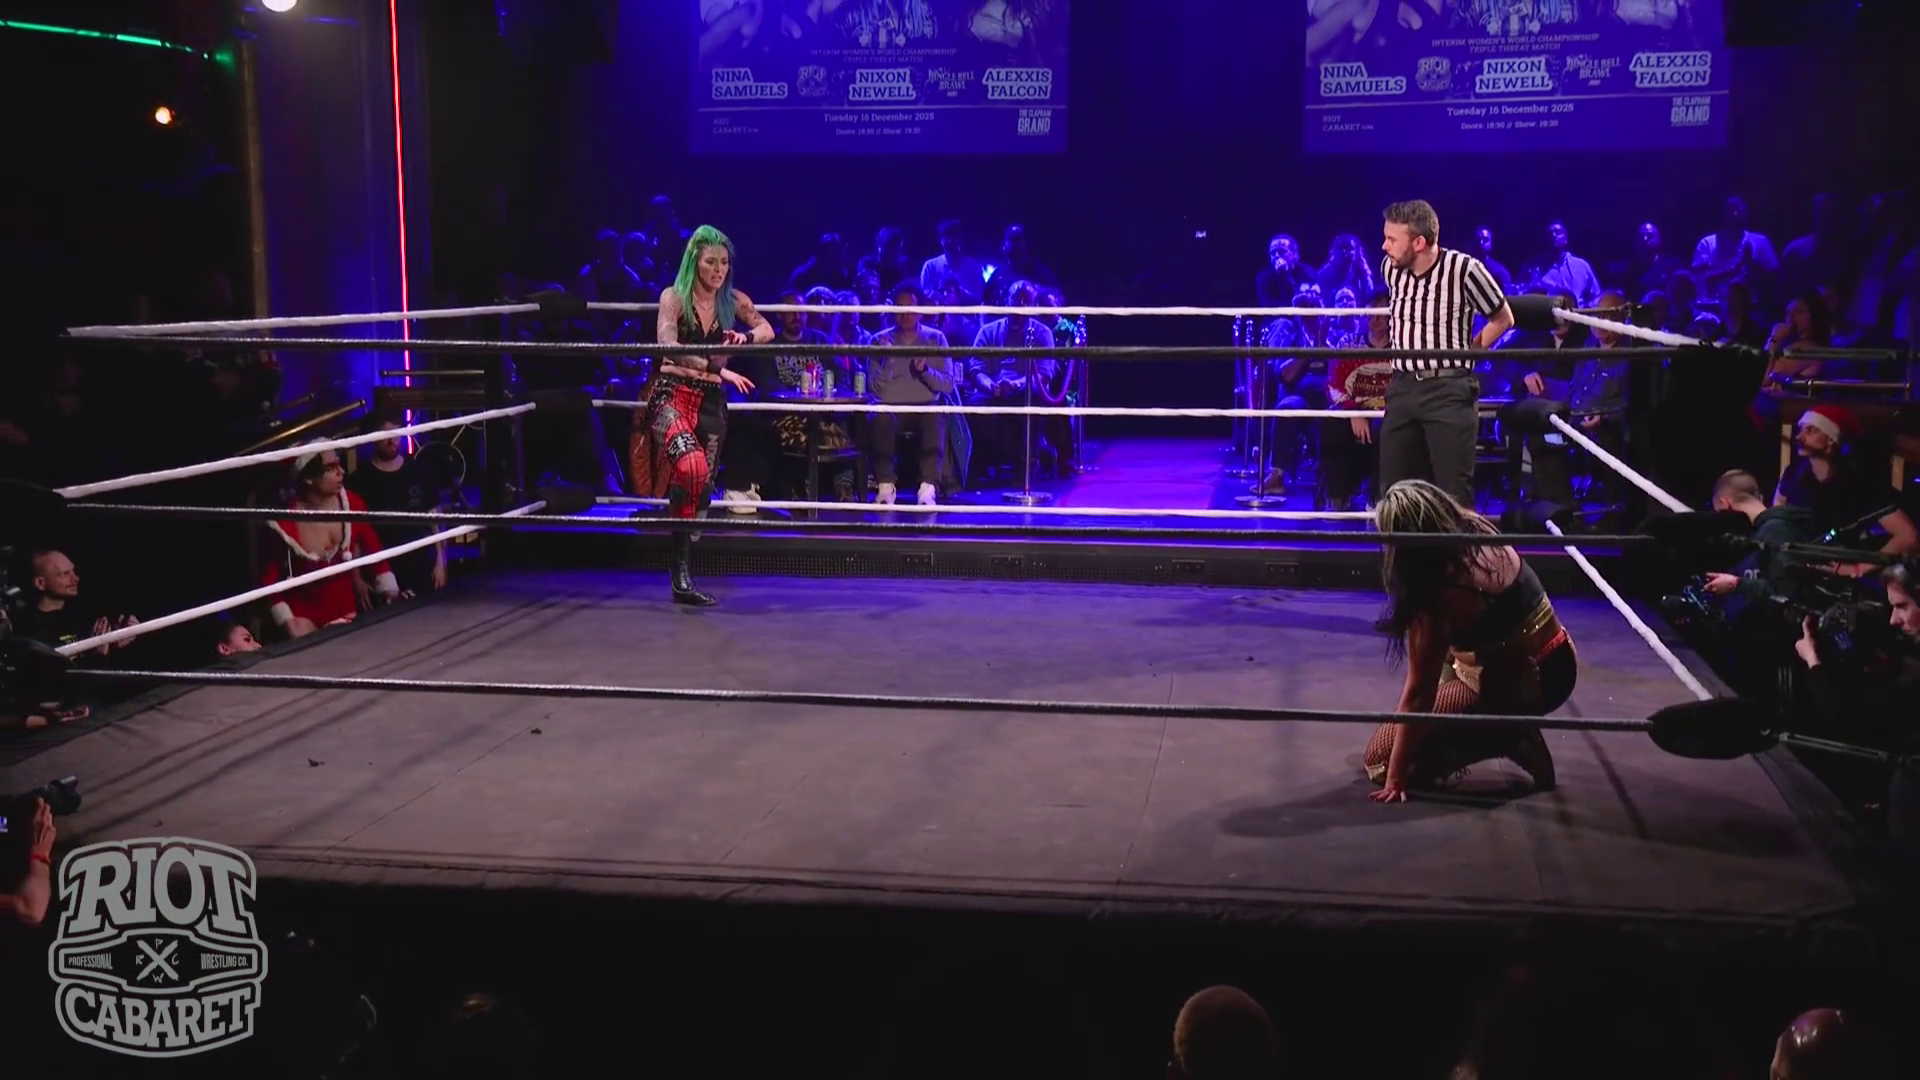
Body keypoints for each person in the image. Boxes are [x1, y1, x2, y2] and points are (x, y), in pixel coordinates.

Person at [1364, 480, 1567, 802]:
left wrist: (1396, 777)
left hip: (1520, 684)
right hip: (1559, 662)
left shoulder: (1437, 592)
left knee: (1379, 760)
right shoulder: (1474, 527)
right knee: (1440, 691)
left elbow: (1419, 693)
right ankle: (1503, 724)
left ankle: (1511, 735)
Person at [628, 226, 771, 606]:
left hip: (710, 402)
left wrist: (745, 338)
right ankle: (679, 574)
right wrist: (716, 368)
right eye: (711, 262)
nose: (718, 270)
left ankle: (685, 542)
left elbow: (766, 328)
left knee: (702, 486)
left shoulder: (733, 300)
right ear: (695, 262)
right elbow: (667, 344)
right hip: (671, 395)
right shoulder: (674, 297)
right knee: (690, 467)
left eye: (724, 262)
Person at [1377, 200, 1514, 505]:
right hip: (1402, 387)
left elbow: (1503, 318)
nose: (1384, 247)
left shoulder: (1465, 269)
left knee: (1453, 490)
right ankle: (1402, 540)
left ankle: (1457, 540)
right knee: (1395, 490)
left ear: (1419, 243)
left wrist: (1471, 352)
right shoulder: (1391, 269)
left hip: (1449, 390)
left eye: (1391, 239)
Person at [263, 446, 404, 638]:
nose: (341, 472)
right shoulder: (285, 523)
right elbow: (269, 580)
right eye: (331, 468)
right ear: (309, 478)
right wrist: (289, 621)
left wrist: (388, 590)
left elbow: (374, 550)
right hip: (305, 618)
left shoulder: (351, 504)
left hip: (347, 613)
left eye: (339, 464)